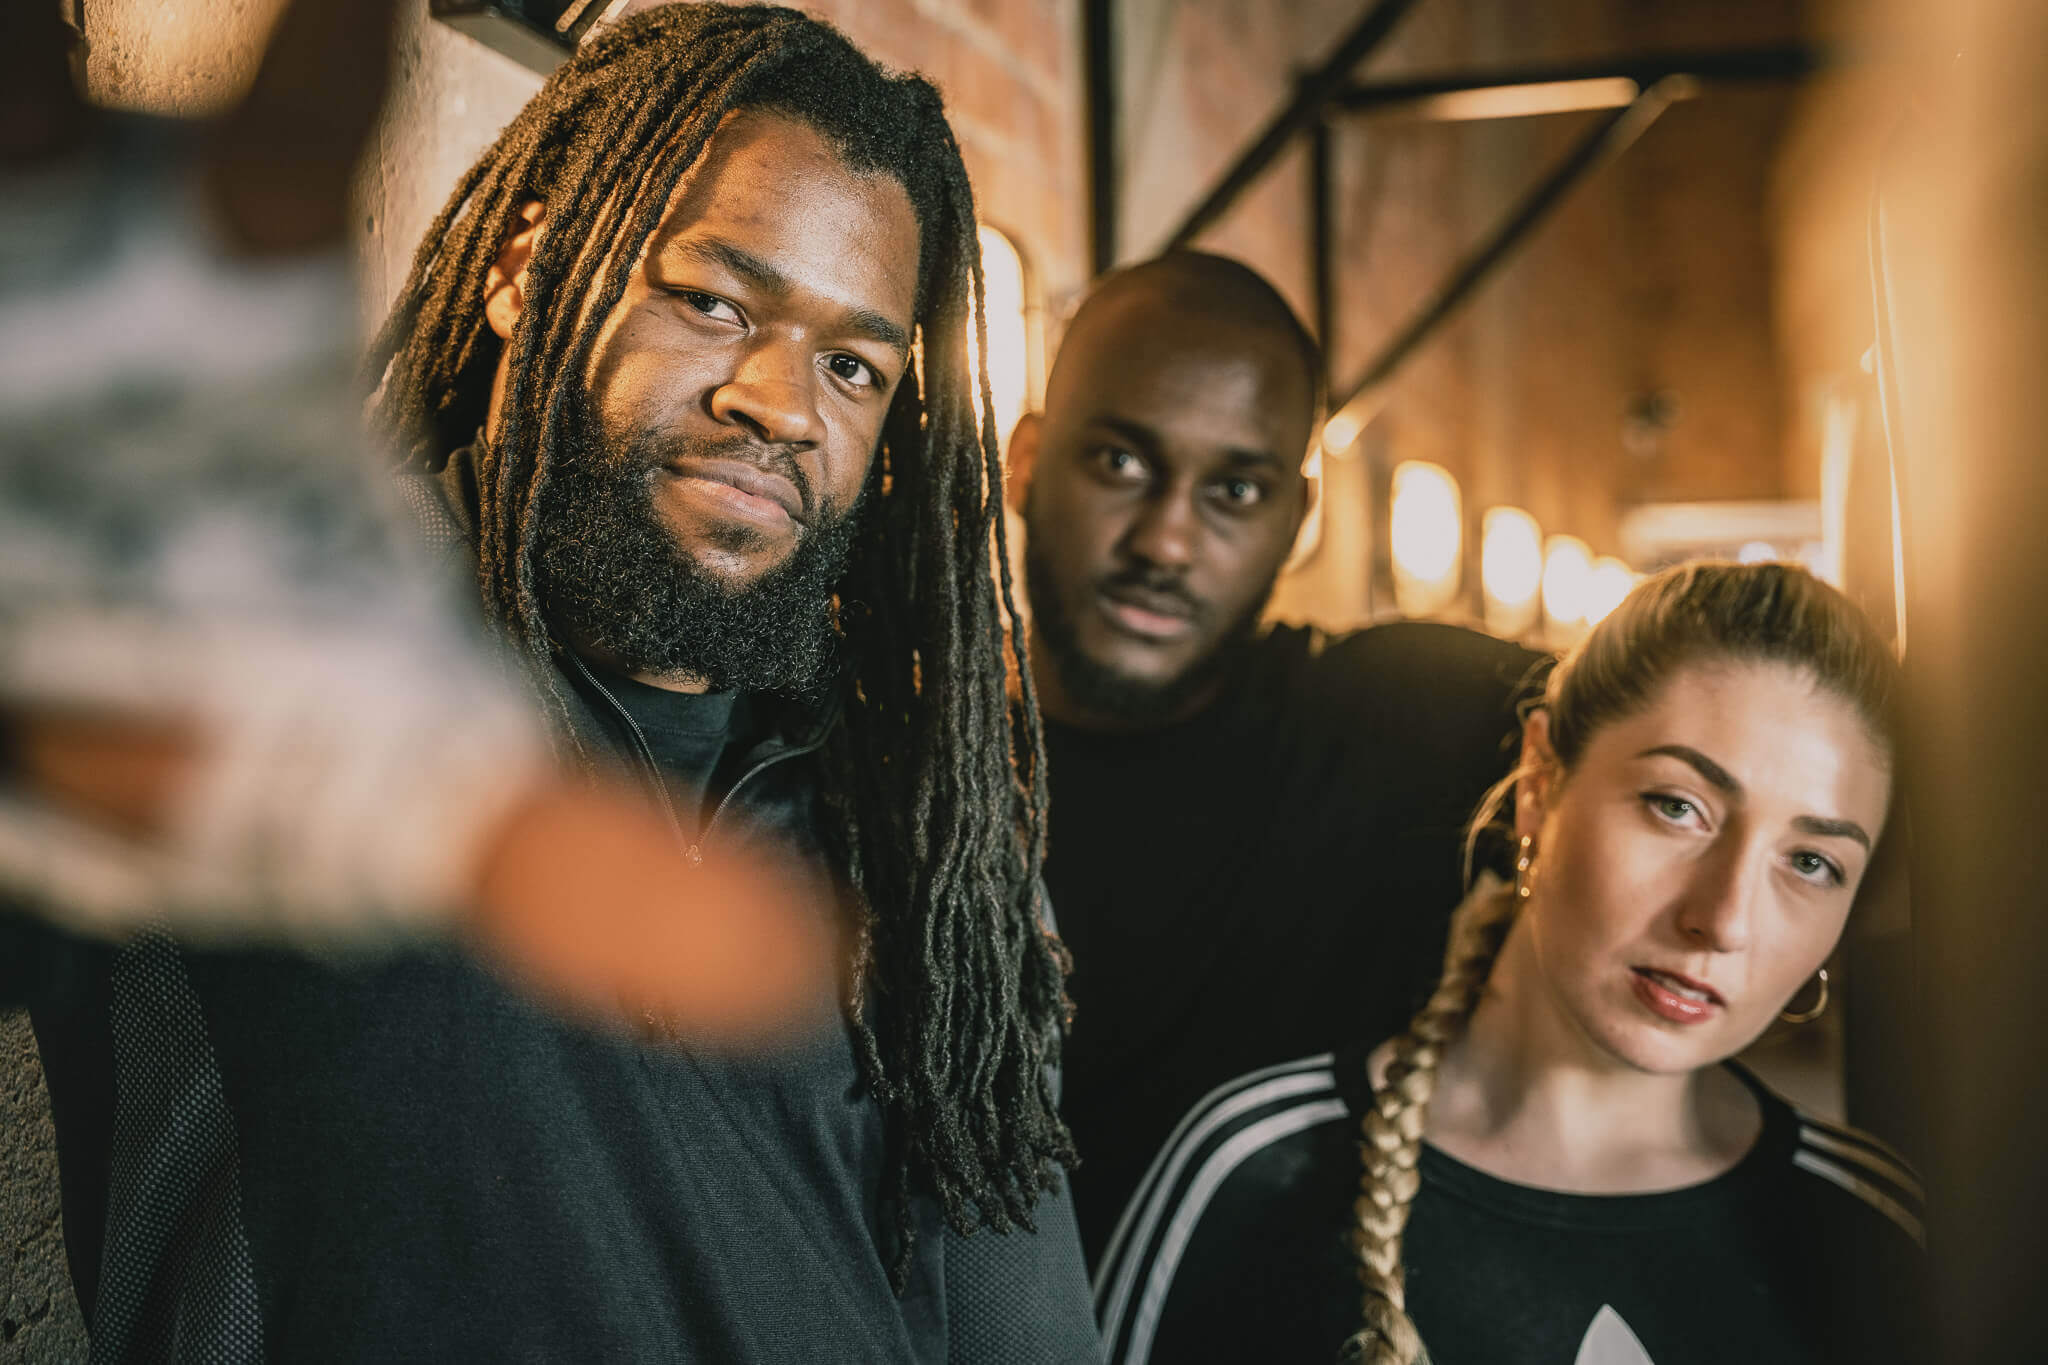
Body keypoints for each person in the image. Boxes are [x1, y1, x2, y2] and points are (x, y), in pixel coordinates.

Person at [8, 5, 1098, 1360]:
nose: (781, 401)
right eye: (711, 299)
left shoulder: (926, 839)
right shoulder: (311, 679)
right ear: (532, 266)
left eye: (852, 364)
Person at [1092, 561, 1927, 1365]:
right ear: (1539, 781)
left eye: (1811, 862)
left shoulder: (1872, 1229)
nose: (1722, 920)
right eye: (1678, 807)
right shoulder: (1250, 1173)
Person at [1006, 251, 1542, 1263]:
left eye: (1234, 491)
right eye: (1120, 462)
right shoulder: (878, 757)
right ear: (1027, 461)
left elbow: (1699, 717)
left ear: (1294, 521)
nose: (1165, 541)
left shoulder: (1401, 723)